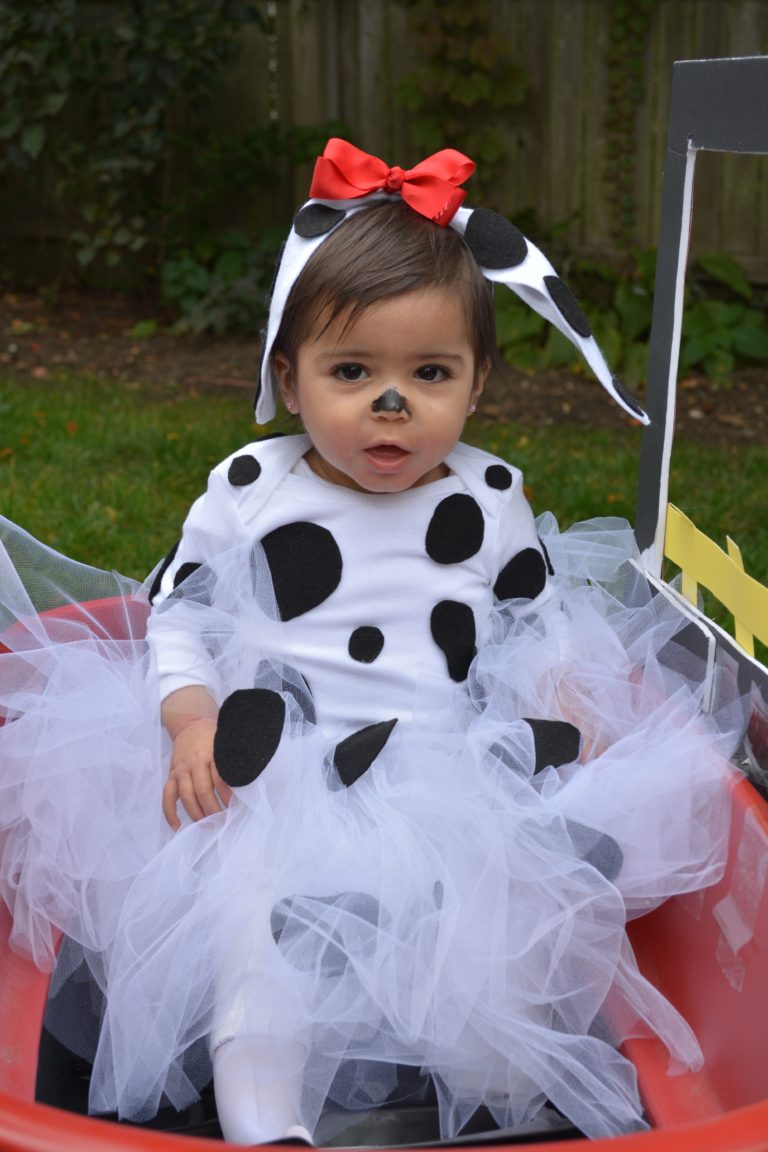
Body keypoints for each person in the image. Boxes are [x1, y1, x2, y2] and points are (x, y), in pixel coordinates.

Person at [0, 140, 742, 1146]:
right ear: (289, 378)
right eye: (352, 371)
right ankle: (266, 1117)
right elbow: (178, 612)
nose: (391, 404)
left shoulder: (487, 496)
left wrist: (567, 693)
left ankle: (495, 1091)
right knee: (257, 941)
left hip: (447, 765)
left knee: (494, 928)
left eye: (429, 373)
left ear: (477, 383)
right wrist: (190, 718)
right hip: (275, 772)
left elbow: (535, 612)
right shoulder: (252, 490)